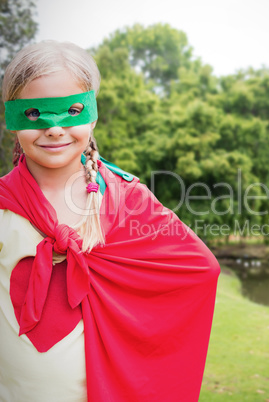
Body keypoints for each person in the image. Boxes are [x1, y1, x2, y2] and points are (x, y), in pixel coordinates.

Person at [0, 41, 220, 402]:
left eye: (71, 110)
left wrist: (130, 316)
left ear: (93, 114)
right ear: (12, 119)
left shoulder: (126, 200)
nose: (55, 128)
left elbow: (198, 268)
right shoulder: (3, 204)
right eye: (35, 114)